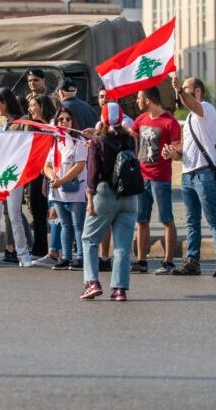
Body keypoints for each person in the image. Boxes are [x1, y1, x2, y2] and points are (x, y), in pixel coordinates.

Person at [169, 75, 216, 277]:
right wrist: (173, 153)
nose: (181, 92)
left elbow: (191, 104)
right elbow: (187, 149)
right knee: (191, 221)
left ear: (196, 91)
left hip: (204, 173)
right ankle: (192, 261)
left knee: (213, 219)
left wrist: (179, 89)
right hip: (188, 174)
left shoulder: (206, 109)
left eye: (185, 88)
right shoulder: (188, 117)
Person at [80, 103, 139, 301]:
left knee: (89, 239)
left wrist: (89, 200)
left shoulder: (98, 142)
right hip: (129, 195)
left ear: (102, 118)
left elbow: (92, 175)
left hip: (105, 194)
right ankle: (119, 289)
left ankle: (92, 282)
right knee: (122, 245)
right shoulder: (130, 139)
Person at [130, 86, 181, 275]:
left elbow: (177, 151)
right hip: (142, 177)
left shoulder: (170, 122)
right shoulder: (141, 119)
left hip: (160, 178)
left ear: (148, 100)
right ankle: (141, 261)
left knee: (166, 219)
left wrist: (173, 152)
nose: (137, 101)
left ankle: (169, 262)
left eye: (138, 98)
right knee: (141, 220)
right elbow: (128, 134)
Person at [0, 88, 34, 268]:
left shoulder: (23, 121)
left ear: (6, 102)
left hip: (14, 173)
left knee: (15, 216)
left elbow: (29, 144)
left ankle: (23, 255)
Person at [44, 107, 88, 271]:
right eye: (60, 120)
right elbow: (47, 166)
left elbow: (79, 165)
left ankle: (81, 257)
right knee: (65, 224)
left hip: (76, 189)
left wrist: (61, 180)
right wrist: (53, 178)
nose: (64, 122)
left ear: (73, 121)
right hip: (58, 190)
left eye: (67, 119)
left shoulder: (79, 140)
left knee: (78, 225)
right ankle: (66, 257)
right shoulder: (55, 142)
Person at [25, 93, 58, 257]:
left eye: (33, 105)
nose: (30, 109)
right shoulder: (31, 126)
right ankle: (39, 249)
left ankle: (58, 249)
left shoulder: (55, 125)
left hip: (53, 173)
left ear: (42, 106)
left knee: (55, 213)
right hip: (36, 174)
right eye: (30, 105)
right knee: (38, 212)